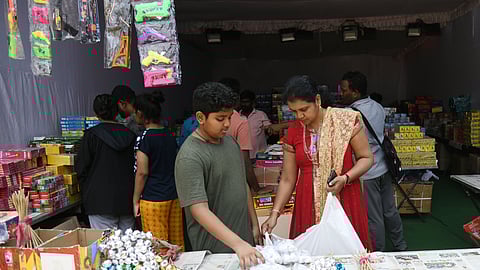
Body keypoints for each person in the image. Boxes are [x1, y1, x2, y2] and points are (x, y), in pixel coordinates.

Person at [261, 75, 373, 250]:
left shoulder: (344, 121)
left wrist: (346, 178)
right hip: (307, 202)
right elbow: (288, 179)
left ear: (318, 100)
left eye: (304, 109)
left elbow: (366, 158)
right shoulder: (294, 132)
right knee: (310, 256)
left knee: (346, 254)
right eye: (294, 111)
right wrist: (274, 214)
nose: (299, 116)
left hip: (343, 197)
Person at [175, 82, 265, 270]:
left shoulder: (230, 142)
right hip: (215, 252)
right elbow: (199, 210)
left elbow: (242, 184)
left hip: (243, 245)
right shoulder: (190, 156)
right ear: (200, 117)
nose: (227, 124)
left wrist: (254, 225)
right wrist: (238, 243)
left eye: (229, 117)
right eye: (220, 118)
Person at [340, 71, 407, 251]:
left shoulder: (348, 114)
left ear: (355, 92)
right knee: (390, 210)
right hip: (383, 166)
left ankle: (378, 252)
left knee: (374, 216)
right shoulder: (378, 106)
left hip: (365, 171)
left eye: (344, 90)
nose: (341, 93)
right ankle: (400, 244)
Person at [133, 90, 184, 249]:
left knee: (158, 246)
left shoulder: (145, 138)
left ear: (140, 114)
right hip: (173, 197)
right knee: (177, 245)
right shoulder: (169, 135)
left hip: (153, 199)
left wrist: (135, 200)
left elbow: (142, 172)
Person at [76, 94, 135, 230]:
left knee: (106, 247)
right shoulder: (130, 135)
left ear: (96, 113)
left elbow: (81, 168)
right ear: (116, 111)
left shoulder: (91, 136)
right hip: (127, 199)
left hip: (99, 201)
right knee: (129, 246)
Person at [218, 78, 268, 194]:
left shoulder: (207, 119)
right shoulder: (240, 121)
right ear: (236, 98)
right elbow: (245, 161)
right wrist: (257, 189)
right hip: (233, 183)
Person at [239, 90, 272, 160]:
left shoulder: (261, 114)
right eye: (242, 102)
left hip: (260, 155)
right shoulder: (236, 116)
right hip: (242, 156)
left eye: (247, 102)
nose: (244, 104)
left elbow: (269, 129)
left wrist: (268, 130)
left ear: (252, 103)